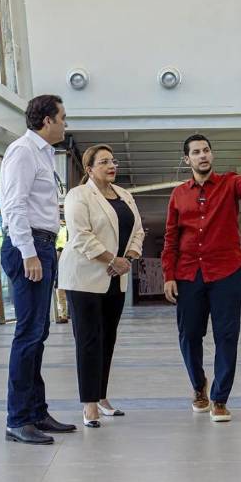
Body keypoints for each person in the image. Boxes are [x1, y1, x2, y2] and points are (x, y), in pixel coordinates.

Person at [163, 134, 241, 422]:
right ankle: (199, 387)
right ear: (187, 159)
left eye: (206, 150)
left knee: (227, 335)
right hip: (188, 273)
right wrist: (169, 275)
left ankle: (219, 398)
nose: (203, 155)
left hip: (227, 272)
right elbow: (170, 238)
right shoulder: (179, 194)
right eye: (196, 152)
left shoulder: (229, 183)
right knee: (189, 335)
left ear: (211, 155)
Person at [0, 94, 75, 445]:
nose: (65, 123)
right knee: (28, 334)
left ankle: (36, 412)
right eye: (62, 117)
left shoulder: (43, 154)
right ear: (47, 120)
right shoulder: (23, 151)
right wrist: (28, 252)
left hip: (43, 245)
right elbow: (13, 206)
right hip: (28, 245)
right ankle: (17, 419)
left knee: (38, 334)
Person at [58, 145, 144, 428]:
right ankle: (89, 403)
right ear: (89, 168)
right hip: (84, 277)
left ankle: (102, 396)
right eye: (104, 161)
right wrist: (112, 259)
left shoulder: (125, 196)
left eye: (113, 160)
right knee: (89, 340)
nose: (111, 165)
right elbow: (80, 236)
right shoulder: (78, 195)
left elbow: (138, 232)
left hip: (114, 278)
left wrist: (128, 258)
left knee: (108, 339)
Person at [53, 247, 68, 324]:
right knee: (62, 300)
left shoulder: (60, 263)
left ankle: (64, 316)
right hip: (61, 283)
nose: (57, 255)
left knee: (61, 300)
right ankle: (63, 315)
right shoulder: (63, 262)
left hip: (61, 283)